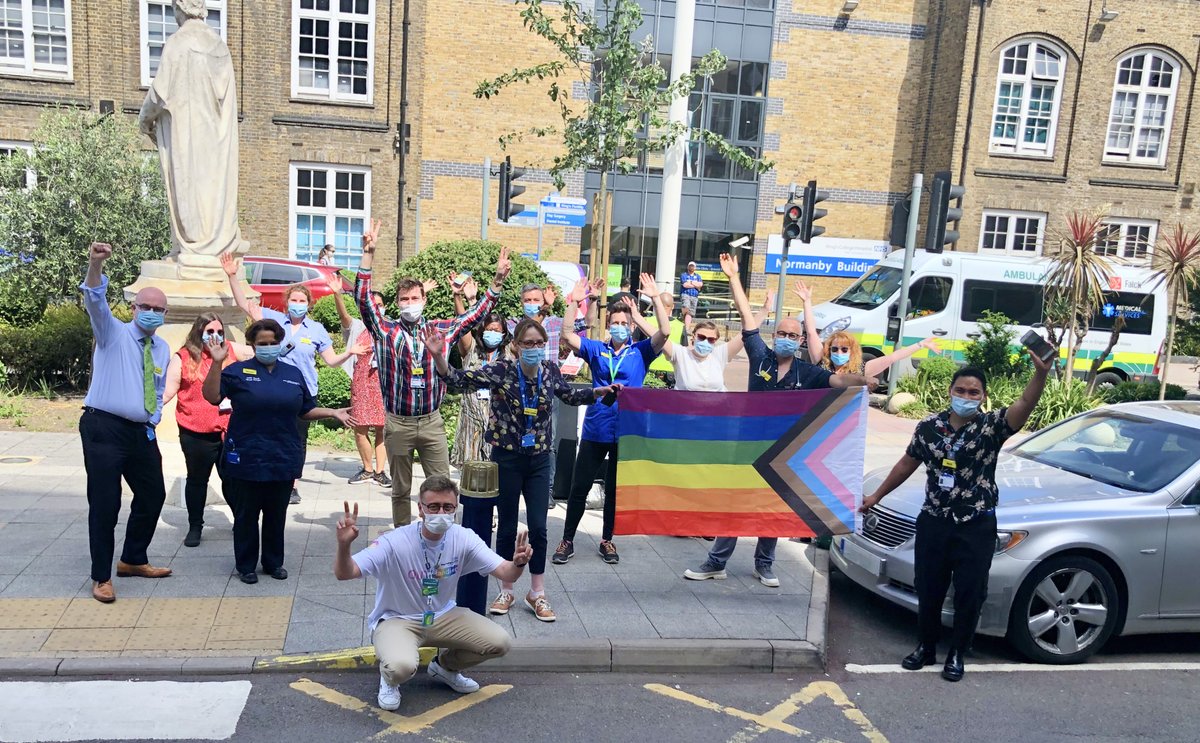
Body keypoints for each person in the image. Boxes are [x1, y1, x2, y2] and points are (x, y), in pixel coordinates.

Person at [683, 253, 875, 588]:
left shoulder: (809, 371)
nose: (786, 336)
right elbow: (746, 316)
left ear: (800, 341)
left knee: (772, 507)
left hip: (784, 451)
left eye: (792, 334)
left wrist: (862, 381)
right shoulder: (760, 355)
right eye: (782, 332)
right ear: (775, 335)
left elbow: (836, 382)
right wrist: (732, 279)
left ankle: (765, 564)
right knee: (736, 505)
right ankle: (716, 562)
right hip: (747, 447)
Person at [860, 359, 1050, 682]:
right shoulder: (929, 428)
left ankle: (958, 652)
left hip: (975, 524)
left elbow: (1024, 404)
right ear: (950, 391)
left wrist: (1041, 373)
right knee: (929, 587)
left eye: (973, 392)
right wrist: (875, 496)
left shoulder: (992, 427)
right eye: (960, 389)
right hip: (935, 521)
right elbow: (907, 464)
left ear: (983, 397)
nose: (965, 395)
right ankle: (926, 646)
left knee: (969, 592)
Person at [429, 320, 621, 622]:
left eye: (538, 343)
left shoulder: (549, 371)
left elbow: (570, 395)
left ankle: (537, 591)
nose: (533, 349)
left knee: (539, 527)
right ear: (516, 346)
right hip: (506, 458)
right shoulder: (503, 370)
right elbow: (457, 379)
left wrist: (601, 391)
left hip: (539, 459)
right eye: (527, 343)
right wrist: (440, 356)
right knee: (506, 526)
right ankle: (506, 589)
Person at [355, 219, 511, 527]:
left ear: (424, 300)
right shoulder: (384, 330)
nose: (409, 304)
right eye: (404, 300)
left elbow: (475, 315)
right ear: (397, 304)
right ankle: (403, 535)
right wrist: (368, 254)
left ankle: (441, 531)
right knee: (400, 488)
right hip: (398, 422)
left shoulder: (440, 328)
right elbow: (363, 300)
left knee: (442, 485)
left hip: (431, 421)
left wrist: (496, 282)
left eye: (415, 299)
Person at [334, 477, 532, 712]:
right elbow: (345, 573)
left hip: (442, 615)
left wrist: (518, 563)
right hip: (399, 619)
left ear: (456, 508)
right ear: (420, 509)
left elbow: (505, 573)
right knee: (401, 667)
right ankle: (389, 680)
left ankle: (445, 668)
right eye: (433, 507)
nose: (441, 513)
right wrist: (344, 546)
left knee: (499, 642)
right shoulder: (394, 541)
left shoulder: (464, 537)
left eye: (448, 507)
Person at [203, 319, 352, 584]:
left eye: (273, 343)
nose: (269, 347)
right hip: (247, 455)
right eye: (263, 344)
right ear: (253, 345)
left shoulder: (292, 374)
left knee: (276, 513)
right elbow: (212, 396)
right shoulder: (237, 372)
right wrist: (217, 363)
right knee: (247, 515)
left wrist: (332, 412)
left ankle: (273, 562)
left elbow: (304, 409)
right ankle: (246, 565)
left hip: (282, 455)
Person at [221, 252, 366, 504]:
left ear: (309, 304)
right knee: (270, 432)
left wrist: (349, 353)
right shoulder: (274, 320)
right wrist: (233, 276)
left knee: (297, 439)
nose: (298, 303)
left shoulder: (317, 330)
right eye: (294, 299)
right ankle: (265, 475)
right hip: (270, 389)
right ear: (286, 303)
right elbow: (244, 303)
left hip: (302, 392)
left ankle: (291, 483)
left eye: (302, 300)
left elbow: (330, 361)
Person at [78, 242, 174, 604]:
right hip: (104, 427)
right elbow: (94, 298)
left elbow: (160, 386)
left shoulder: (161, 347)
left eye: (158, 309)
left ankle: (133, 558)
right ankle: (101, 576)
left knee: (153, 494)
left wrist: (153, 419)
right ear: (134, 308)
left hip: (140, 432)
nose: (151, 313)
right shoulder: (112, 332)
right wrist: (95, 264)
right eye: (145, 307)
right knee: (106, 501)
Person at [552, 273, 670, 566]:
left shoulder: (640, 351)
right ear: (608, 326)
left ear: (631, 327)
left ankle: (607, 540)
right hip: (596, 428)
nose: (618, 327)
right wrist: (575, 301)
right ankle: (568, 539)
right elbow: (566, 335)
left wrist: (653, 301)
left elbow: (665, 333)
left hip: (627, 432)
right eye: (614, 323)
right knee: (579, 487)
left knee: (614, 490)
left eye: (624, 323)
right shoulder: (597, 349)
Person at [163, 313, 252, 546]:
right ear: (198, 331)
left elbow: (259, 351)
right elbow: (167, 391)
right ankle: (195, 526)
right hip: (195, 432)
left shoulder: (231, 351)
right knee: (197, 480)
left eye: (220, 332)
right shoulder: (183, 357)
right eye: (210, 331)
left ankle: (241, 522)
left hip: (228, 430)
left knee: (233, 480)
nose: (215, 336)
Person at [324, 273, 390, 487]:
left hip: (385, 384)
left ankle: (381, 472)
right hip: (362, 383)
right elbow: (343, 317)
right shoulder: (358, 327)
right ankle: (367, 468)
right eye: (373, 305)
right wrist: (337, 295)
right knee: (360, 426)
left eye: (380, 305)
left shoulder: (390, 328)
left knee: (383, 428)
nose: (377, 308)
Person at [449, 308, 508, 469]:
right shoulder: (471, 348)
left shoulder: (509, 354)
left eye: (496, 330)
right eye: (489, 329)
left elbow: (528, 335)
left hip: (498, 421)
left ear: (503, 333)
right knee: (471, 472)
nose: (492, 333)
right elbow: (463, 324)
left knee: (495, 471)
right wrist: (458, 298)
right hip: (472, 419)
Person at [821, 331, 940, 378]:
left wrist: (921, 344)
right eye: (835, 349)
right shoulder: (822, 367)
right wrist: (807, 302)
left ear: (852, 351)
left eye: (844, 349)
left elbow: (892, 357)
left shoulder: (860, 369)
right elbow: (811, 333)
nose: (839, 353)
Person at [680, 261, 703, 333]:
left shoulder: (698, 276)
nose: (691, 267)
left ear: (695, 268)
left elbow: (701, 284)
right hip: (686, 294)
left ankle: (686, 329)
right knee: (686, 307)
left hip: (695, 296)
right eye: (690, 266)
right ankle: (682, 317)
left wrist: (691, 282)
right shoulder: (684, 275)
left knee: (690, 313)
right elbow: (685, 285)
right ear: (688, 267)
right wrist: (696, 285)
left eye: (693, 266)